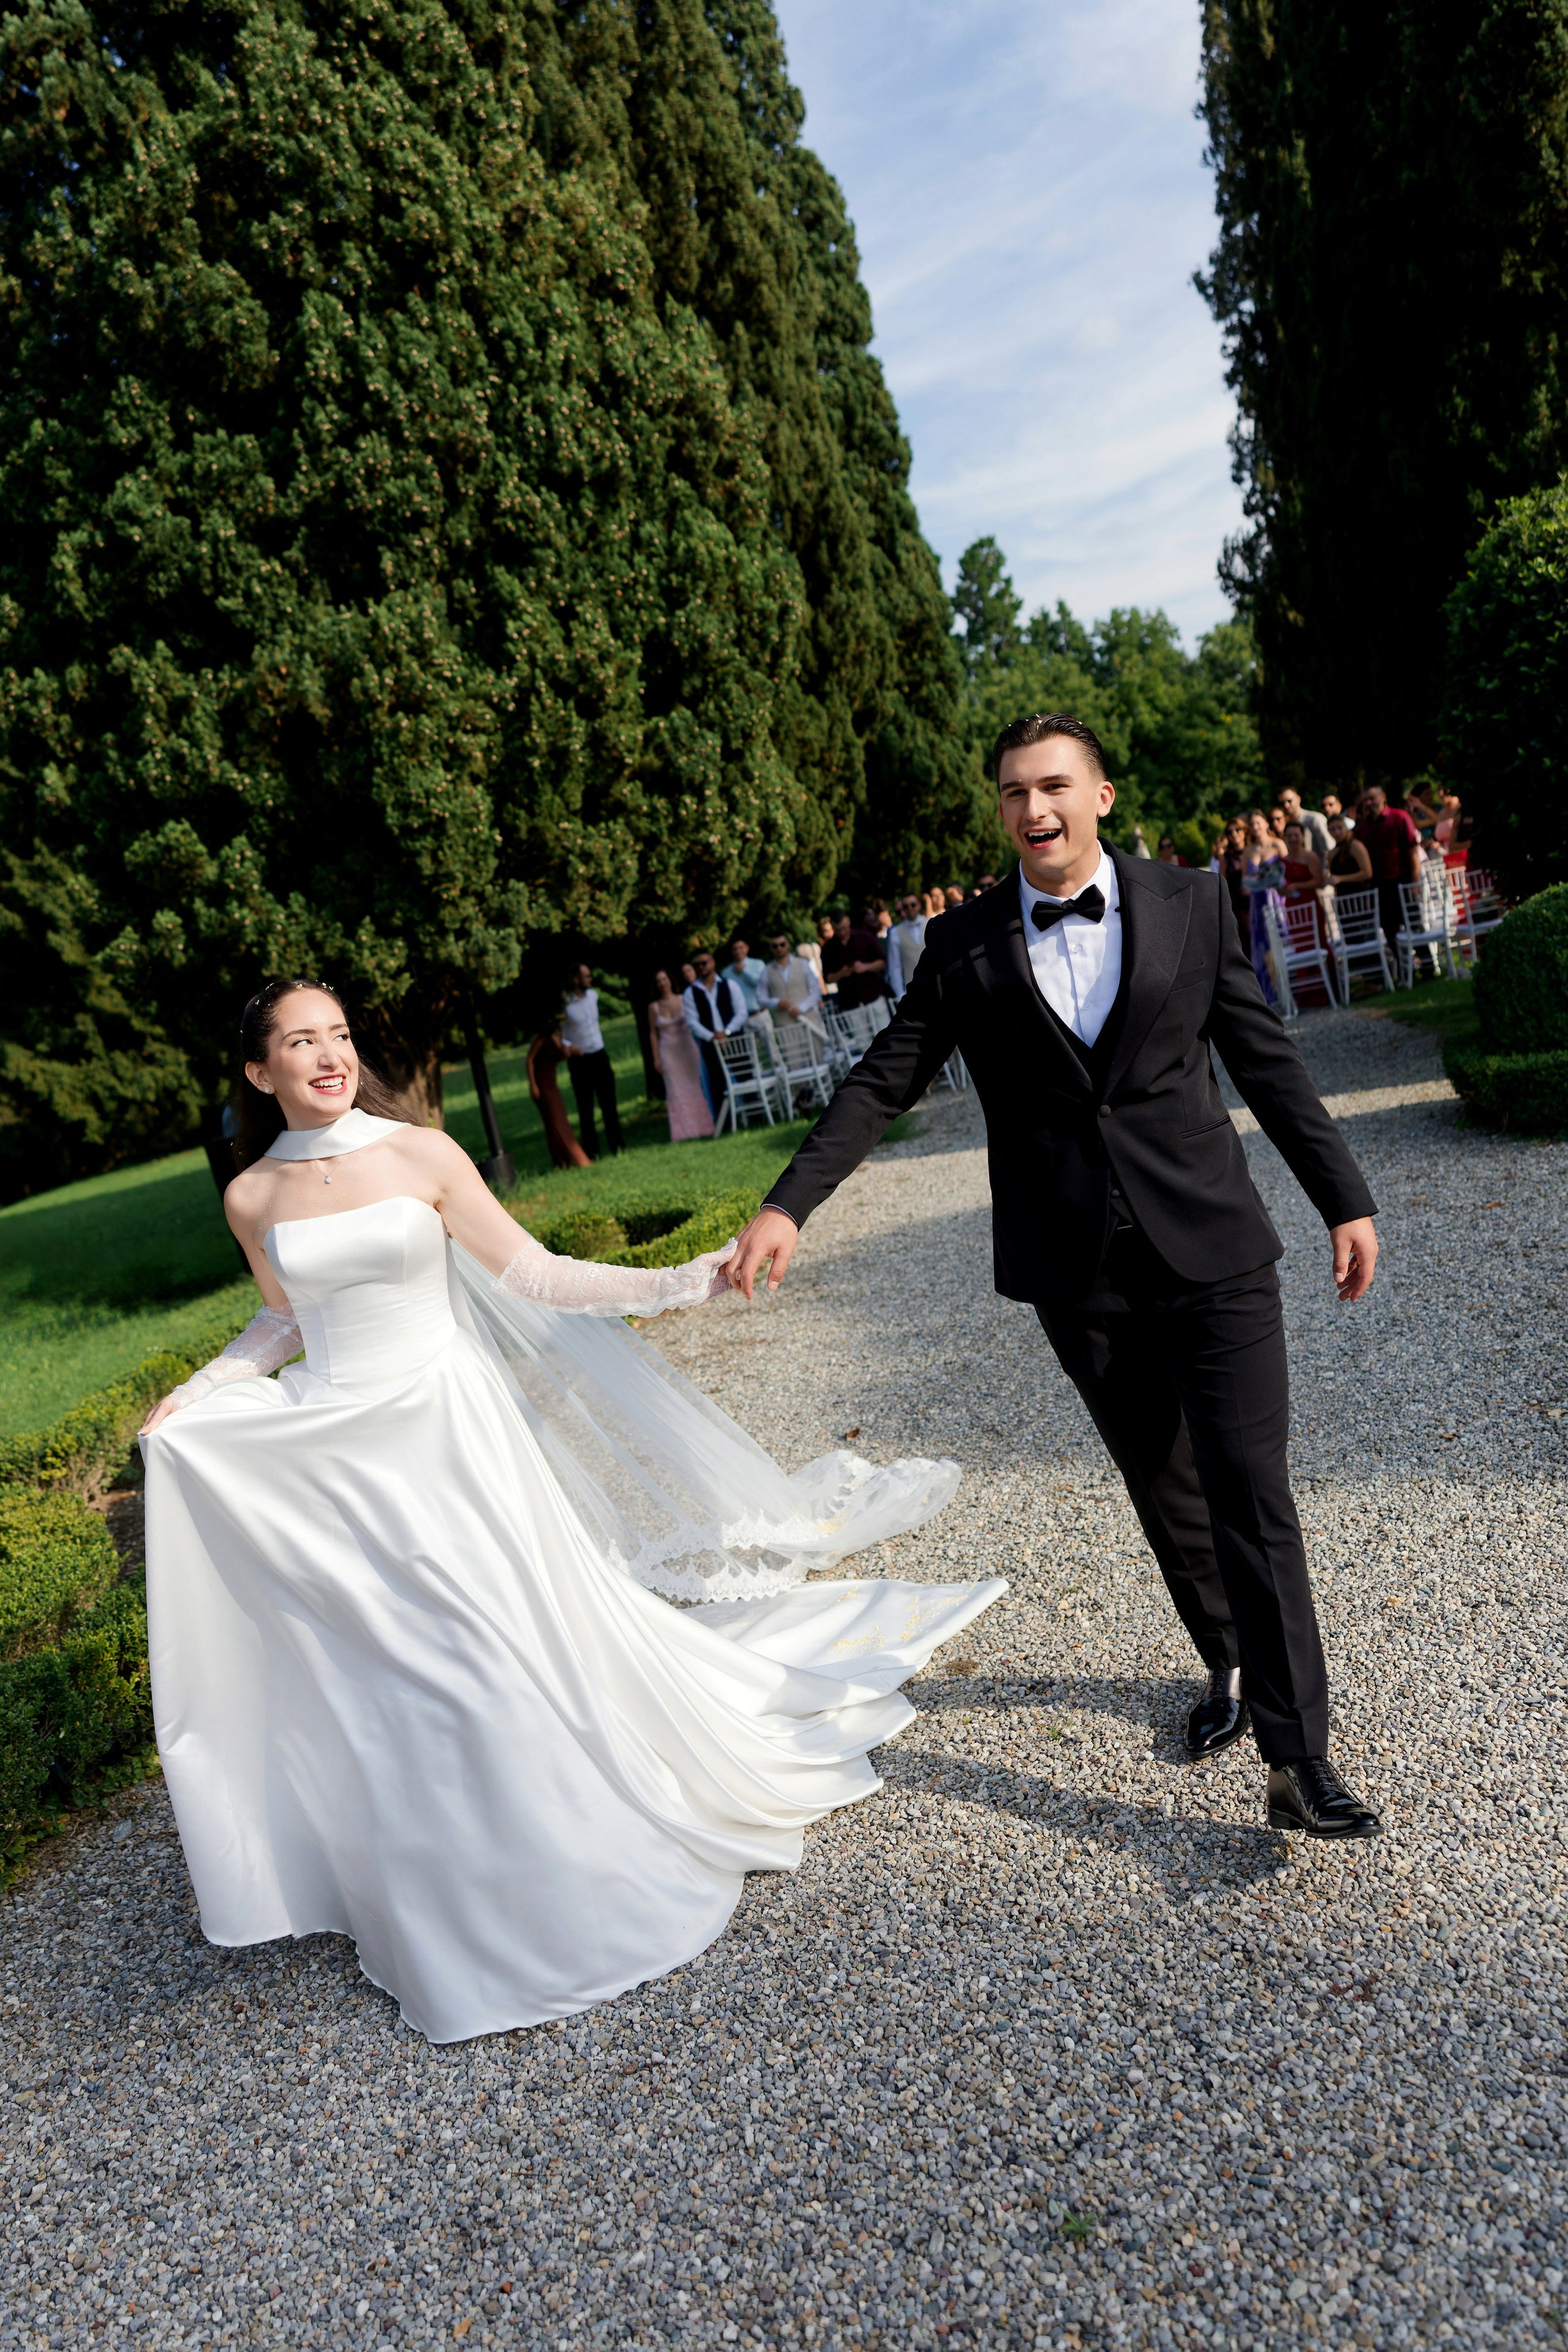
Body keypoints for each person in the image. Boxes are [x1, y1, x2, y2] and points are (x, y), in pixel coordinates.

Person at [137, 979, 997, 2043]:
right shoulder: (255, 1196)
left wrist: (681, 1285)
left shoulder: (421, 1157)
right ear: (260, 1072)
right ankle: (454, 1887)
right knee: (401, 1669)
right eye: (301, 1043)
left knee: (489, 1641)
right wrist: (201, 1395)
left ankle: (566, 1858)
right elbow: (280, 1324)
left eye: (342, 1036)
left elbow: (534, 1276)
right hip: (344, 1453)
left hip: (447, 1436)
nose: (330, 1057)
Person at [728, 712, 1385, 1844]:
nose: (1034, 809)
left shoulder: (1191, 903)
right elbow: (884, 1081)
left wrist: (1343, 1193)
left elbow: (1264, 1054)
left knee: (1249, 1486)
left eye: (1054, 786)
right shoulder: (965, 944)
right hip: (1075, 1263)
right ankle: (1224, 1660)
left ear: (1102, 796)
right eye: (1014, 794)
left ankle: (1298, 1756)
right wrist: (790, 1203)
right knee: (1162, 1479)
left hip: (1214, 1245)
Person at [560, 965, 623, 1158]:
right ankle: (592, 1151)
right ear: (577, 979)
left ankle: (618, 1146)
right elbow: (560, 1035)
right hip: (580, 1060)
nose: (591, 979)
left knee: (609, 1103)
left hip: (600, 1055)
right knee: (585, 1107)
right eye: (587, 976)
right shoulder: (566, 1003)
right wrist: (569, 1046)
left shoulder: (594, 996)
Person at [649, 970, 714, 1140]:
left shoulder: (683, 999)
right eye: (658, 981)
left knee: (695, 1086)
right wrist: (656, 1058)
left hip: (687, 1048)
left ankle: (705, 1125)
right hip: (668, 1051)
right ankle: (683, 1131)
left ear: (670, 981)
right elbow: (653, 1034)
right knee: (676, 1090)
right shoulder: (653, 1007)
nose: (662, 983)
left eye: (664, 979)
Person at [684, 949, 748, 1114]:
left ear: (713, 963)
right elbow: (693, 1021)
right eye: (697, 965)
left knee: (744, 1074)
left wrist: (726, 1032)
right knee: (716, 1082)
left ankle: (754, 1115)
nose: (701, 967)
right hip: (710, 1043)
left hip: (733, 1039)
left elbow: (741, 1012)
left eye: (704, 963)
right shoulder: (691, 993)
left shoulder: (729, 985)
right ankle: (722, 1122)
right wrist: (712, 1036)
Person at [1357, 786, 1421, 949]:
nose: (1369, 803)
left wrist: (1415, 882)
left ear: (1383, 797)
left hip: (1404, 879)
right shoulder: (1363, 827)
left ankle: (1427, 967)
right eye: (1365, 800)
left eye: (1372, 798)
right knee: (1388, 929)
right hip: (1380, 886)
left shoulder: (1400, 817)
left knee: (1414, 926)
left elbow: (1413, 852)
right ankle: (1401, 967)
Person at [1242, 810, 1289, 1005]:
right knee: (1262, 947)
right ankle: (1269, 993)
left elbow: (1290, 869)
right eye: (1252, 824)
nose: (1255, 827)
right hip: (1257, 903)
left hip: (1276, 899)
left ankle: (1288, 988)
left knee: (1281, 941)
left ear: (1266, 824)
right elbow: (1245, 881)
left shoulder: (1277, 844)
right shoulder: (1248, 851)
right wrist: (1252, 884)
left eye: (1258, 823)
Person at [526, 1028, 591, 1169]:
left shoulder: (560, 1035)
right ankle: (577, 1159)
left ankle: (563, 1161)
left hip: (552, 1083)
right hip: (542, 1083)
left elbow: (563, 1053)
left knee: (556, 1120)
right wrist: (533, 1085)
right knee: (556, 1120)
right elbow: (530, 1060)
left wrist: (573, 1051)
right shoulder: (542, 1037)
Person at [760, 933, 826, 1036]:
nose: (779, 948)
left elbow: (816, 990)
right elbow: (761, 998)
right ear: (771, 949)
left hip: (809, 1020)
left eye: (782, 944)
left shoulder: (803, 963)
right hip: (785, 1026)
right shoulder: (766, 971)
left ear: (788, 945)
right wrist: (776, 1003)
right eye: (775, 946)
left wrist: (802, 1007)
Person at [821, 911, 886, 1011]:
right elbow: (828, 978)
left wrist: (865, 967)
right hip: (850, 1004)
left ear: (849, 922)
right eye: (838, 930)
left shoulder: (865, 937)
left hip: (874, 997)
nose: (842, 933)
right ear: (833, 927)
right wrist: (843, 973)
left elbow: (882, 963)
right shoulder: (828, 949)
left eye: (844, 928)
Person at [1216, 815, 1250, 951]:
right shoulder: (1226, 858)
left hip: (1255, 899)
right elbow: (1222, 881)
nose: (1234, 834)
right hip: (1237, 902)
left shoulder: (1253, 851)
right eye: (1230, 832)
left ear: (1244, 831)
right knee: (1244, 940)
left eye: (1237, 830)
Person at [888, 895, 928, 1001]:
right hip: (914, 989)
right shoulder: (895, 932)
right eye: (906, 907)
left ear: (919, 906)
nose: (910, 908)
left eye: (913, 905)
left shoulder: (931, 922)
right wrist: (901, 994)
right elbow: (895, 966)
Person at [1279, 788, 1332, 864]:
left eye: (1289, 801)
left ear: (1298, 799)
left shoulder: (1315, 819)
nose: (1286, 805)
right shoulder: (1286, 826)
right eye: (1282, 803)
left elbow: (1329, 849)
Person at [1326, 813, 1373, 890]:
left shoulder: (1356, 846)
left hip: (1359, 895)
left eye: (1340, 828)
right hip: (1343, 897)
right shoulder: (1332, 853)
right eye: (1333, 829)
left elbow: (1367, 873)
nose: (1337, 833)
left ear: (1346, 827)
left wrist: (1341, 878)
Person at [724, 938, 767, 1019]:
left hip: (761, 1014)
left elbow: (762, 985)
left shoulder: (758, 964)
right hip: (741, 1018)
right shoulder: (726, 973)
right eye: (735, 949)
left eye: (741, 948)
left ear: (747, 948)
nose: (738, 951)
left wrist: (744, 971)